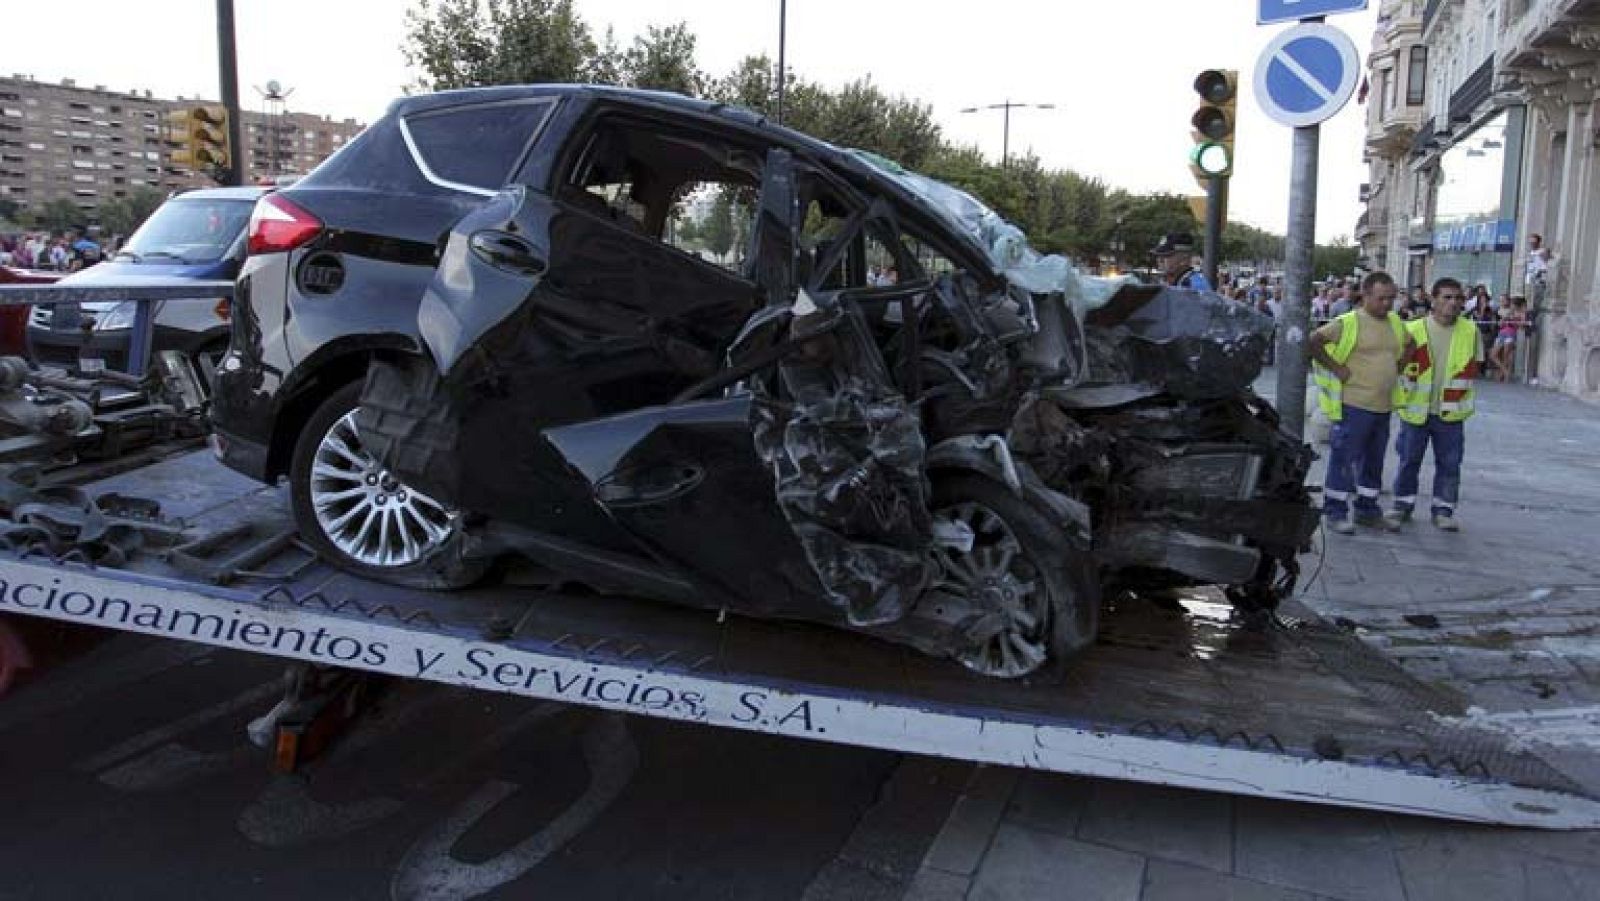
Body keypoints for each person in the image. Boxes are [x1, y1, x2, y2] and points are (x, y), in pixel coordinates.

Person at [1308, 270, 1408, 534]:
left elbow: (1410, 344)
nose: (1387, 304)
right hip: (1354, 405)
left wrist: (1398, 366)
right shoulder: (1348, 322)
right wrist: (1336, 367)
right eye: (1381, 299)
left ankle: (1367, 508)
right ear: (1365, 296)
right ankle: (1335, 511)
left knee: (1374, 461)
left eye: (1391, 298)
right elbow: (1314, 341)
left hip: (1383, 406)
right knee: (1344, 458)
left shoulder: (1395, 322)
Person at [1387, 278, 1483, 531]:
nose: (1453, 303)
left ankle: (1444, 510)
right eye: (1447, 297)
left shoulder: (1470, 331)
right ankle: (1402, 504)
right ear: (1433, 299)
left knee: (1449, 464)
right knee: (1409, 460)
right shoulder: (1413, 329)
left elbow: (1475, 365)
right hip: (1415, 408)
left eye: (1458, 298)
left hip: (1451, 411)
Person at [1490, 297, 1527, 381]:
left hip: (1511, 334)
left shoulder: (1521, 313)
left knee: (1506, 355)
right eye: (1511, 304)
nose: (1511, 305)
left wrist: (1515, 320)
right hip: (1502, 333)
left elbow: (1521, 326)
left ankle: (1502, 375)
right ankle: (1505, 371)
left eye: (1513, 304)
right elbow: (1500, 324)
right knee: (1493, 355)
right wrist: (1506, 317)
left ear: (1517, 305)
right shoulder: (1509, 312)